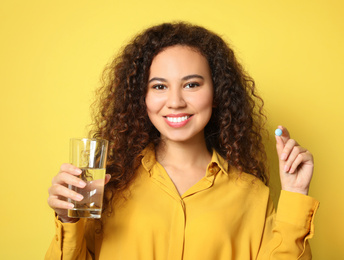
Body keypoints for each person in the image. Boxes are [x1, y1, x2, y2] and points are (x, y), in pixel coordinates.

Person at [46, 22, 319, 259]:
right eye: (159, 86)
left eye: (192, 84)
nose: (175, 102)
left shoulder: (253, 195)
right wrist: (68, 219)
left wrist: (295, 195)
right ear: (141, 97)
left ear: (217, 92)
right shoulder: (106, 186)